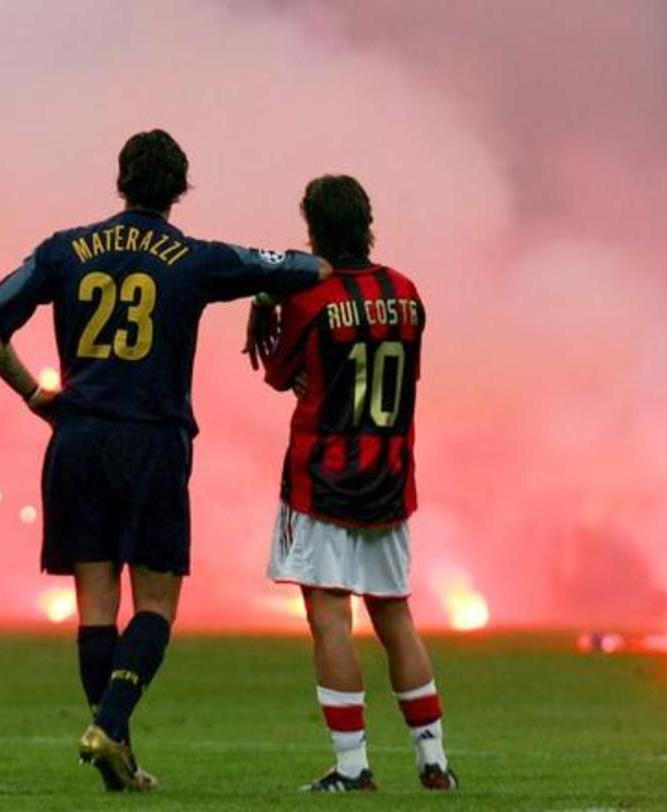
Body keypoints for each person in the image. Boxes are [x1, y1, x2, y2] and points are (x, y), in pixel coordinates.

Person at [0, 129, 330, 792]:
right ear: (179, 189)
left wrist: (33, 394)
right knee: (156, 604)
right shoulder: (194, 259)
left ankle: (119, 758)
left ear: (121, 181)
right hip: (152, 443)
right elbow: (302, 268)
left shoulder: (65, 249)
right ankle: (109, 727)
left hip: (75, 441)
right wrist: (269, 295)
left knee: (97, 607)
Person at [251, 175, 458, 792]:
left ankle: (352, 767)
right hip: (391, 476)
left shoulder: (309, 300)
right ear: (367, 221)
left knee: (330, 617)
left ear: (313, 228)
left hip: (323, 477)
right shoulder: (407, 293)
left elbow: (279, 372)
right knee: (395, 613)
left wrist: (268, 302)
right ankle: (433, 760)